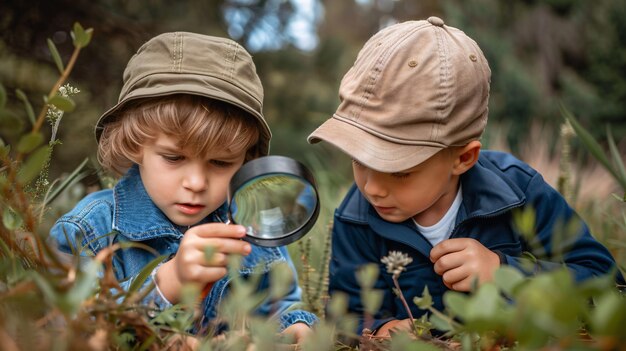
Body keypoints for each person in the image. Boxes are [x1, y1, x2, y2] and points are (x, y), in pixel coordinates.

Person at [307, 17, 624, 337]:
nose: (372, 189)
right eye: (358, 161)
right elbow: (346, 314)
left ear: (463, 158)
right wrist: (381, 329)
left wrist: (503, 272)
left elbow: (608, 286)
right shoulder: (355, 217)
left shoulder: (519, 193)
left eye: (399, 172)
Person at [50, 32, 316, 342]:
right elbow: (65, 326)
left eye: (220, 163)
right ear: (134, 145)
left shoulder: (252, 228)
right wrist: (167, 283)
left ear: (246, 161)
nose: (196, 183)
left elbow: (282, 305)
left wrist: (294, 326)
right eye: (174, 157)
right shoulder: (90, 229)